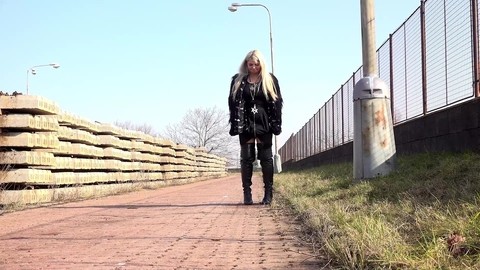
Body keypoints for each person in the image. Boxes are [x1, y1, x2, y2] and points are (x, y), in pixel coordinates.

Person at [228, 49, 283, 205]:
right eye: (250, 64)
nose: (253, 67)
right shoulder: (238, 80)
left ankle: (268, 193)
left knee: (266, 158)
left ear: (261, 64)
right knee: (246, 159)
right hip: (244, 123)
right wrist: (234, 123)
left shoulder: (269, 80)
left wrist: (276, 123)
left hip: (264, 123)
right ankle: (247, 193)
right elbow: (232, 103)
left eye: (256, 65)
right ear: (246, 64)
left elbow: (277, 103)